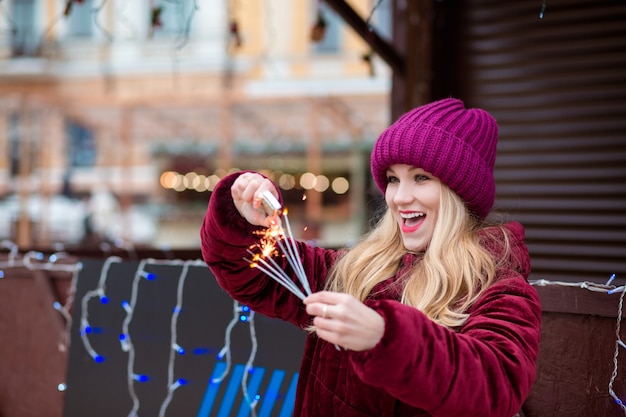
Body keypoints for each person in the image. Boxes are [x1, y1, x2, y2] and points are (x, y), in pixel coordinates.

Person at [200, 98, 542, 417]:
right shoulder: (354, 268)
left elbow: (495, 385)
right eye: (393, 179)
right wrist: (241, 213)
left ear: (459, 193)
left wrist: (387, 336)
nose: (399, 197)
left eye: (421, 177)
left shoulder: (500, 290)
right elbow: (250, 275)